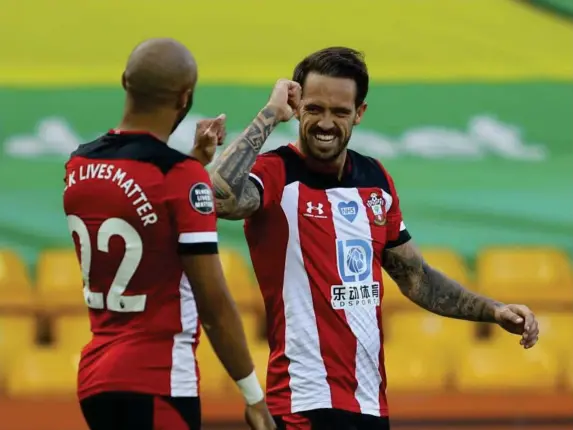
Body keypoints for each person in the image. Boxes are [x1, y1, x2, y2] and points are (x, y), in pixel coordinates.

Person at [207, 47, 540, 430]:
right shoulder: (276, 173)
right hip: (304, 402)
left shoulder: (374, 179)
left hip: (369, 406)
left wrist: (494, 311)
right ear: (297, 108)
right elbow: (215, 197)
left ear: (359, 114)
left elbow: (417, 278)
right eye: (314, 108)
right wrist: (269, 115)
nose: (325, 123)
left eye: (340, 112)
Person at [62, 38, 275, 430]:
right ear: (185, 97)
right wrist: (254, 398)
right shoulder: (178, 177)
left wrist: (194, 161)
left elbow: (138, 204)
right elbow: (213, 302)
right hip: (157, 379)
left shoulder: (78, 163)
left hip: (96, 379)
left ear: (125, 80)